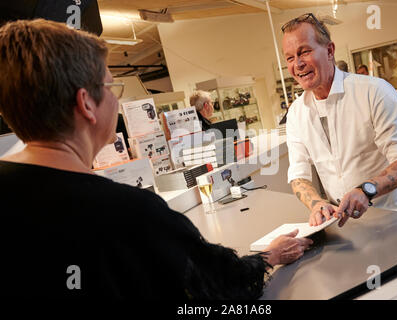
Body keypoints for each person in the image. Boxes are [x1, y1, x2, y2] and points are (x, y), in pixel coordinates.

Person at [0, 19, 313, 298]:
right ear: (86, 104)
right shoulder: (129, 213)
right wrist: (269, 256)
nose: (116, 99)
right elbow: (218, 285)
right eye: (111, 86)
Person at [281, 13, 397, 228]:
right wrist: (316, 204)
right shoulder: (297, 113)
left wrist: (365, 190)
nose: (297, 64)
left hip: (392, 220)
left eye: (304, 52)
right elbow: (298, 175)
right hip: (344, 226)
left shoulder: (374, 92)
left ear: (329, 51)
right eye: (289, 58)